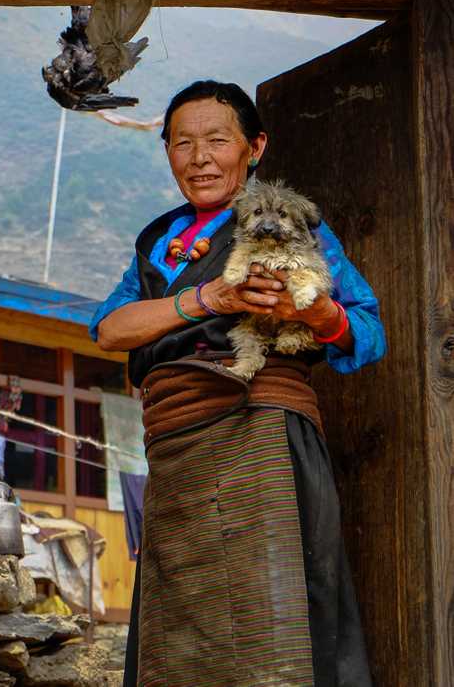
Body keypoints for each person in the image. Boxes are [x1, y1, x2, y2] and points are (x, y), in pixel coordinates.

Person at [89, 81, 386, 687]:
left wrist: (312, 312)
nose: (199, 158)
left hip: (263, 437)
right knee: (183, 627)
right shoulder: (157, 243)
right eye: (182, 144)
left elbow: (368, 330)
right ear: (168, 152)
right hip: (177, 451)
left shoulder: (292, 225)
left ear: (255, 148)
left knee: (278, 616)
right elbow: (110, 329)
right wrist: (210, 297)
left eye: (217, 141)